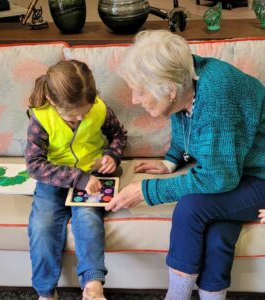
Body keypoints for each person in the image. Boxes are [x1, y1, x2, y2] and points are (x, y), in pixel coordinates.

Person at [105, 30, 265, 300]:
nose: (133, 99)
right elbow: (184, 120)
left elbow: (218, 179)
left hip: (257, 176)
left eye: (141, 90)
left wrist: (147, 191)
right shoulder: (185, 81)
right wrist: (171, 161)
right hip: (238, 171)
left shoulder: (216, 94)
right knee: (217, 236)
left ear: (169, 89)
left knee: (191, 208)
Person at [25, 60, 127, 300]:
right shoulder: (40, 118)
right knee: (42, 225)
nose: (81, 118)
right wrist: (77, 178)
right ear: (53, 101)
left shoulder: (100, 108)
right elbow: (34, 165)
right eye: (73, 116)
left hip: (93, 176)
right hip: (54, 180)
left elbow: (118, 135)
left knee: (89, 219)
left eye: (86, 111)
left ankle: (93, 286)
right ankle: (45, 292)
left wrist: (112, 155)